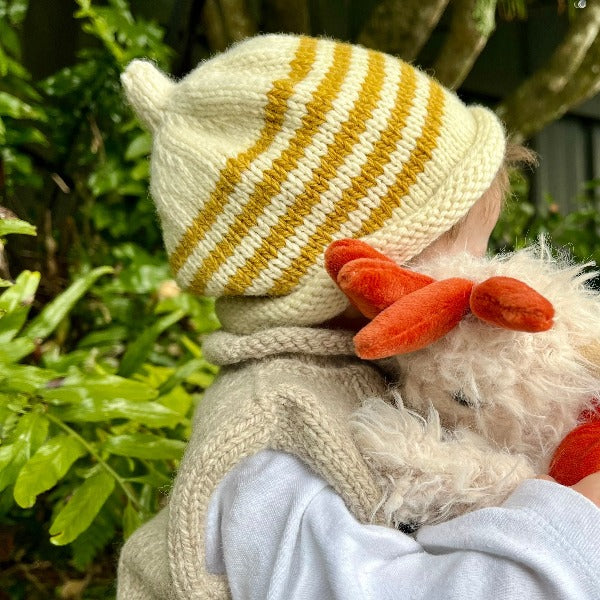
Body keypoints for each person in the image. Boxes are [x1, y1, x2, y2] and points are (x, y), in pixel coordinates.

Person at [117, 34, 600, 599]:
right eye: (467, 251)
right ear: (365, 275)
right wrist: (576, 520)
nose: (482, 275)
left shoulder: (397, 373)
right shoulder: (271, 441)